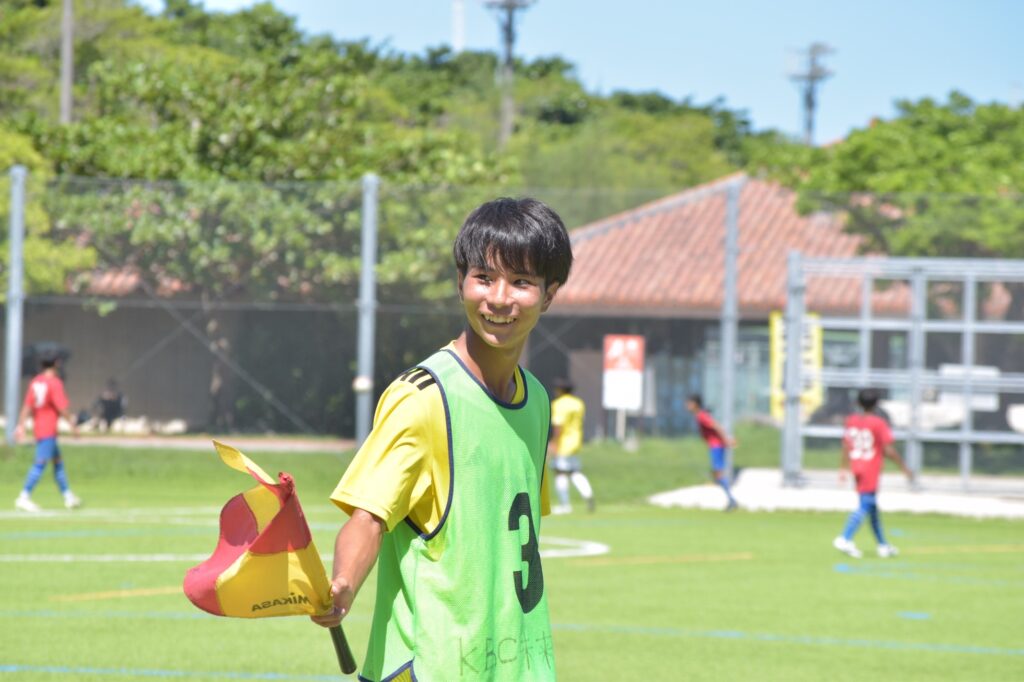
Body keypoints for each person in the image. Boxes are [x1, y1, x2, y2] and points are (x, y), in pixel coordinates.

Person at [311, 197, 571, 681]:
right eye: (484, 277)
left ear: (550, 294)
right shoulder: (422, 398)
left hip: (517, 665)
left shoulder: (536, 400)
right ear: (460, 282)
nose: (499, 298)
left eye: (521, 282)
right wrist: (344, 582)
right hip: (431, 666)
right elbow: (369, 517)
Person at [833, 388, 913, 559]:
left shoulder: (851, 421)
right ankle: (845, 537)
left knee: (872, 508)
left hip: (856, 465)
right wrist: (903, 467)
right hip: (870, 467)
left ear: (858, 403)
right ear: (877, 404)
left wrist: (843, 468)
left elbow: (846, 445)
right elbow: (888, 449)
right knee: (865, 505)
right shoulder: (878, 423)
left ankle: (882, 545)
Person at [13, 352, 81, 512]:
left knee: (58, 462)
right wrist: (73, 425)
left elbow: (27, 406)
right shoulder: (54, 383)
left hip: (39, 427)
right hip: (48, 429)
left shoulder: (36, 381)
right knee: (40, 463)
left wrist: (21, 425)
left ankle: (68, 496)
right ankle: (24, 496)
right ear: (55, 364)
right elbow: (62, 407)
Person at [548, 378, 594, 514]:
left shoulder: (559, 404)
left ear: (560, 390)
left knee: (560, 472)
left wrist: (554, 442)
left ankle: (565, 505)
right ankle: (587, 493)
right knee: (575, 471)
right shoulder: (578, 403)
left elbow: (558, 426)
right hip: (576, 441)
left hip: (563, 442)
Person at [685, 394, 738, 511]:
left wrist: (726, 439)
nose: (687, 405)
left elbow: (716, 426)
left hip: (716, 446)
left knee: (718, 475)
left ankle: (731, 500)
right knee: (717, 475)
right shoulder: (700, 415)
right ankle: (731, 499)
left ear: (695, 404)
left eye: (689, 403)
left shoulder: (702, 416)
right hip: (715, 446)